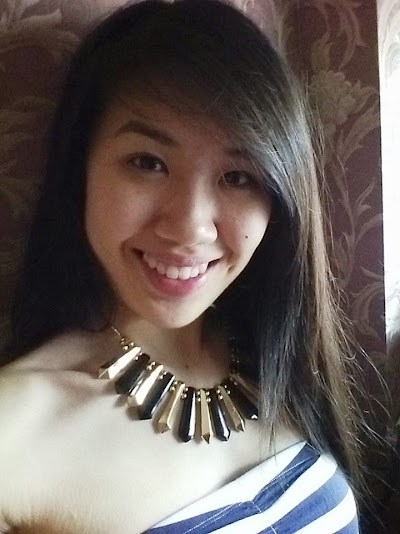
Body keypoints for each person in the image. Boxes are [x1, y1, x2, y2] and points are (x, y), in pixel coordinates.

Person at [0, 0, 361, 532]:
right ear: (81, 170)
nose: (190, 227)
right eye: (147, 162)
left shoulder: (280, 360)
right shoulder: (16, 430)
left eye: (238, 176)